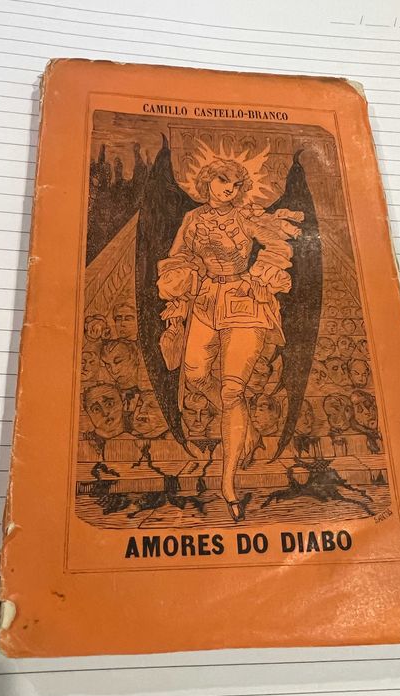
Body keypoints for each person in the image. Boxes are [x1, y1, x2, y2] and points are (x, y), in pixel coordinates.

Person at [157, 156, 303, 520]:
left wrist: (256, 276)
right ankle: (244, 427)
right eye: (223, 181)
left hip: (244, 303)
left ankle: (228, 483)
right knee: (194, 374)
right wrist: (179, 292)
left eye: (236, 184)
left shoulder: (246, 216)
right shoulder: (192, 219)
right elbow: (178, 258)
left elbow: (279, 247)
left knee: (232, 391)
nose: (230, 189)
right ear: (207, 181)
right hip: (205, 301)